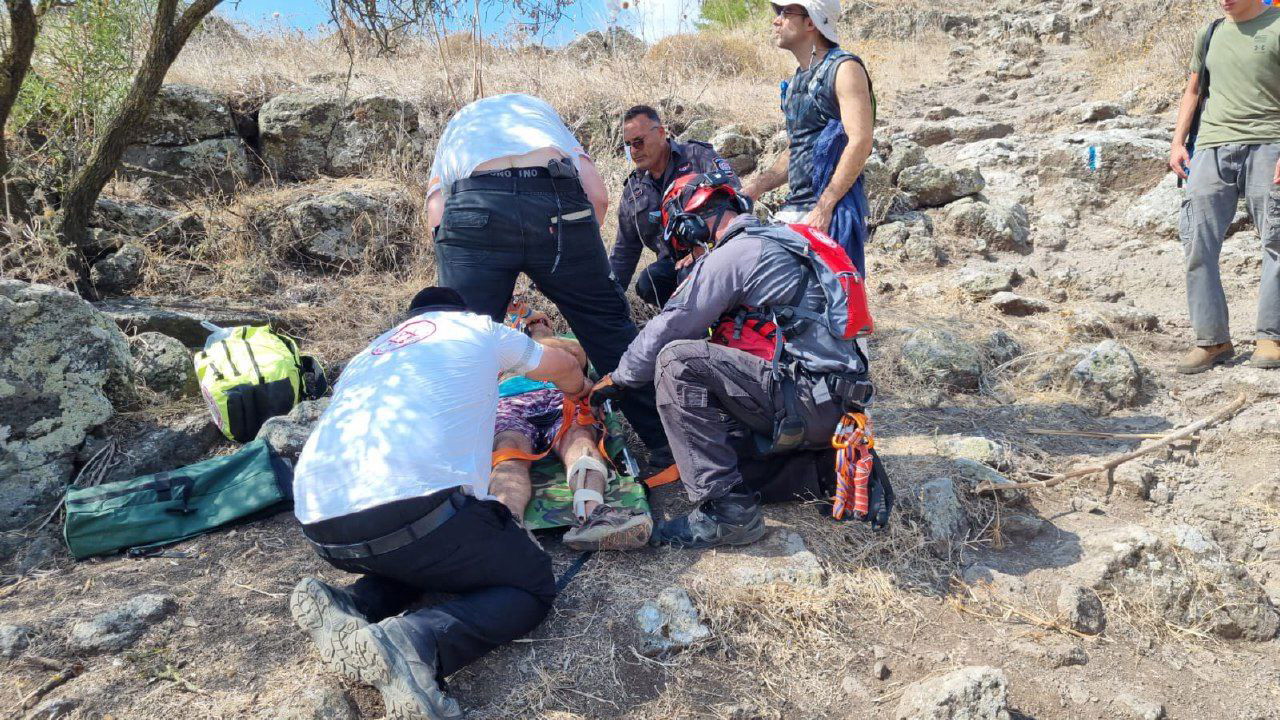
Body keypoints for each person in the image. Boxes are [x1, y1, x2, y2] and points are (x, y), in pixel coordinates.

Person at [288, 287, 590, 720]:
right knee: (529, 585)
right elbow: (560, 364)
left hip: (324, 527)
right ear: (462, 311)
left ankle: (355, 605)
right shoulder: (477, 329)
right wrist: (580, 391)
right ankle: (415, 643)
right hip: (417, 512)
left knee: (424, 553)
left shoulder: (369, 354)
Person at [591, 174, 878, 549]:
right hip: (836, 404)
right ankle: (819, 472)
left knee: (676, 362)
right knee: (714, 451)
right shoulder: (786, 240)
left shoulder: (736, 253)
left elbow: (674, 323)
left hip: (805, 398)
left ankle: (729, 516)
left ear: (690, 222)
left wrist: (621, 378)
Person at [425, 92, 672, 463]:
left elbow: (437, 212)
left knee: (464, 344)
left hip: (472, 210)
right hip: (555, 204)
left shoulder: (459, 126)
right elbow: (597, 196)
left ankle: (448, 462)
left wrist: (469, 272)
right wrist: (573, 262)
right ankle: (666, 442)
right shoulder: (542, 117)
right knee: (608, 327)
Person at [1168, 0, 1280, 373]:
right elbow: (1194, 89)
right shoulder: (1211, 31)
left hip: (1270, 143)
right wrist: (1178, 141)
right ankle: (1212, 340)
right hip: (1212, 147)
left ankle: (1271, 337)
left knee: (1276, 242)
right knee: (1197, 241)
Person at [491, 306, 653, 549]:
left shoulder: (567, 343)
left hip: (560, 396)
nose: (534, 326)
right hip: (510, 403)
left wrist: (539, 333)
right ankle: (509, 529)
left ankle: (594, 515)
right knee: (508, 453)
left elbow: (573, 356)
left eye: (542, 322)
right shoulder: (495, 348)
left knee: (580, 440)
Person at [741, 0, 875, 271]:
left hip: (833, 210)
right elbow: (797, 149)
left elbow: (860, 141)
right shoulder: (795, 82)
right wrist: (756, 187)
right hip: (798, 208)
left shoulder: (845, 68)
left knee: (834, 305)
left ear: (811, 21)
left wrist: (825, 207)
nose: (775, 21)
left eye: (784, 12)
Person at [610, 104, 740, 307]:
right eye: (628, 145)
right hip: (675, 266)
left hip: (718, 253)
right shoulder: (633, 190)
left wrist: (705, 248)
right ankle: (686, 328)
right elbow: (625, 251)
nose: (634, 151)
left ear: (661, 133)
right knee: (649, 281)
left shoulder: (697, 156)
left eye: (639, 142)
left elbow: (735, 198)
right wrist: (607, 302)